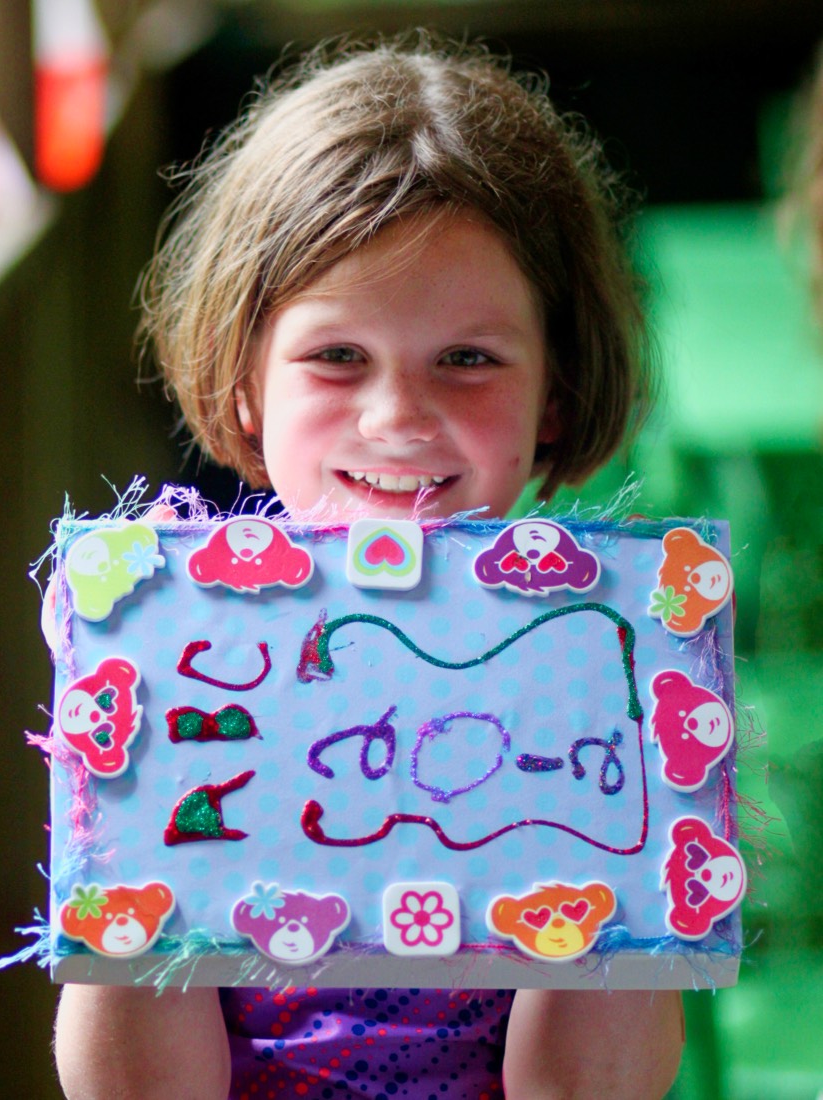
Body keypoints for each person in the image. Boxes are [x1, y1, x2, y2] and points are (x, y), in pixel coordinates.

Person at [54, 33, 684, 1100]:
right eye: (338, 356)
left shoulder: (603, 645)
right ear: (248, 381)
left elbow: (582, 1087)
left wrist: (633, 813)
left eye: (469, 359)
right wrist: (122, 818)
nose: (397, 417)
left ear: (558, 395)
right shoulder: (167, 629)